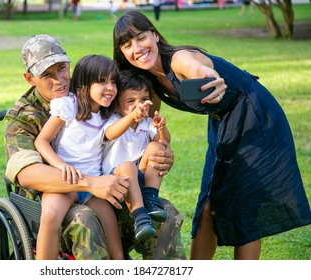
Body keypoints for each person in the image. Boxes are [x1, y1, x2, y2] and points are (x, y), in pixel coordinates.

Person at [113, 11, 311, 260]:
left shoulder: (177, 60)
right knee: (208, 206)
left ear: (154, 34)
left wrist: (211, 79)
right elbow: (150, 129)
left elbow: (198, 69)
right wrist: (161, 150)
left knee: (245, 209)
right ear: (122, 53)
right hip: (223, 123)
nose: (138, 48)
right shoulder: (148, 82)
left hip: (255, 118)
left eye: (141, 37)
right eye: (128, 45)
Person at [4, 34, 186, 260]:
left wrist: (160, 153)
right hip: (58, 199)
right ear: (30, 78)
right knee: (87, 218)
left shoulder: (93, 94)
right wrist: (91, 183)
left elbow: (137, 113)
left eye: (62, 69)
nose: (59, 79)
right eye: (46, 75)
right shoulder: (24, 118)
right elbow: (27, 173)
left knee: (163, 212)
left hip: (107, 186)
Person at [34, 55, 157, 259]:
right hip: (65, 181)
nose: (109, 87)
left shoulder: (108, 116)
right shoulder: (69, 106)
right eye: (102, 81)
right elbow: (42, 141)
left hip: (94, 185)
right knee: (50, 216)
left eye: (113, 82)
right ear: (84, 83)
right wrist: (60, 165)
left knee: (111, 234)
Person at [103, 69, 171, 223]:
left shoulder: (147, 124)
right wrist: (131, 117)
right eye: (131, 101)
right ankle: (139, 214)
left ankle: (151, 198)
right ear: (117, 106)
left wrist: (161, 128)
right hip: (117, 180)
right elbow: (111, 133)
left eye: (143, 99)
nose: (139, 105)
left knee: (156, 148)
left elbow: (164, 143)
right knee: (127, 167)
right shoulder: (113, 120)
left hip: (141, 178)